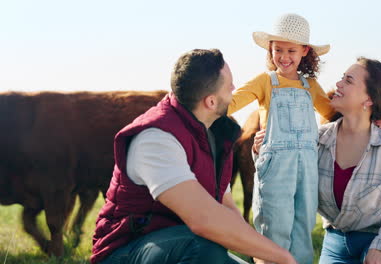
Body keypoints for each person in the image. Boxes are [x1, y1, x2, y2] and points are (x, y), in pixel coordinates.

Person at [90, 49, 298, 264]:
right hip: (127, 252)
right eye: (229, 86)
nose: (234, 89)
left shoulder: (216, 134)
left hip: (183, 246)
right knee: (204, 247)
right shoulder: (156, 138)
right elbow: (203, 220)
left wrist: (261, 256)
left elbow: (226, 209)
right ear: (210, 102)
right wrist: (284, 258)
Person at [255, 57, 381, 264]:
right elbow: (281, 182)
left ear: (369, 99)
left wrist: (380, 249)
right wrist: (265, 150)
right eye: (342, 78)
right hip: (337, 244)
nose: (338, 84)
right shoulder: (313, 141)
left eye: (348, 81)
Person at [227, 13, 335, 264]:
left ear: (304, 51)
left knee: (303, 226)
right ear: (270, 49)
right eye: (278, 50)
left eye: (291, 51)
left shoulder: (311, 86)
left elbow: (331, 115)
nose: (284, 57)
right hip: (276, 166)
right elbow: (231, 104)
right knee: (274, 227)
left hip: (307, 168)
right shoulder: (265, 81)